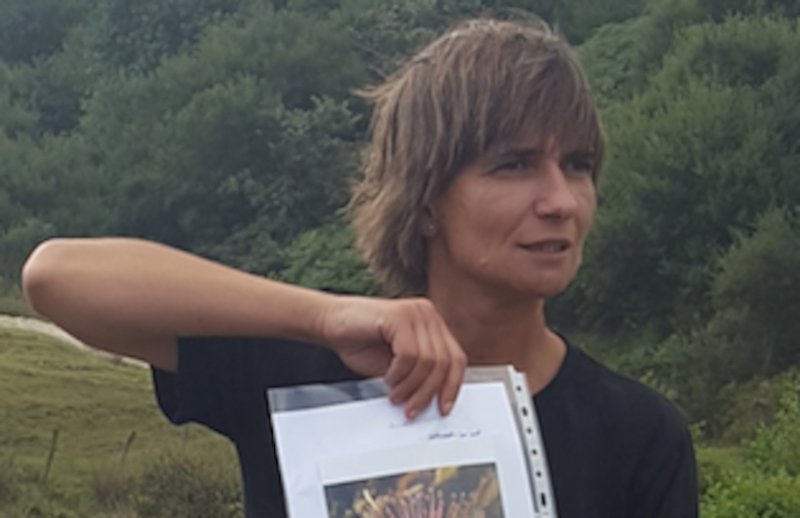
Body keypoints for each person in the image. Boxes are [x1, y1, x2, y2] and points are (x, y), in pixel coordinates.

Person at [21, 17, 698, 518]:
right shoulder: (303, 370)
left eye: (577, 164)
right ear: (426, 202)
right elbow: (56, 278)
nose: (560, 200)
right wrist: (323, 317)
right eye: (514, 165)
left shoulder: (637, 433)